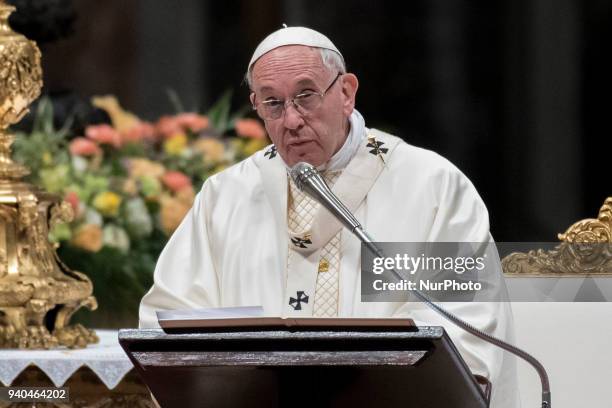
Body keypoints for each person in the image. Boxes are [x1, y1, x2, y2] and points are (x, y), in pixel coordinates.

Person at [139, 26, 519, 407]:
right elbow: (170, 320)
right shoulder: (226, 197)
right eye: (272, 103)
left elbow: (459, 324)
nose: (291, 120)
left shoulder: (432, 187)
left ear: (346, 92)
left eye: (306, 96)